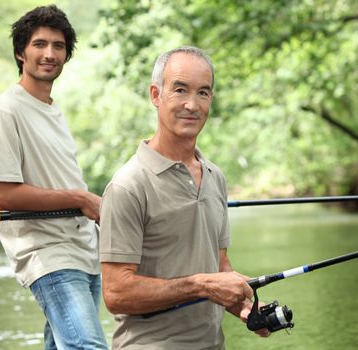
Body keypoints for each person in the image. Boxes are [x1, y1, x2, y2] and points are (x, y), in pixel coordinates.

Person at [99, 46, 270, 349]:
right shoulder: (127, 185)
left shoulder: (215, 177)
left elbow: (219, 266)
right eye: (180, 90)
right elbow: (116, 294)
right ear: (156, 95)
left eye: (203, 93)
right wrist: (200, 285)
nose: (192, 104)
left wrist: (246, 305)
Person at [0, 5, 108, 350]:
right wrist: (81, 200)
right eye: (39, 44)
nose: (49, 54)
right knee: (88, 347)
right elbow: (2, 195)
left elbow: (57, 179)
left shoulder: (53, 109)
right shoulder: (5, 111)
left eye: (59, 46)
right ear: (21, 53)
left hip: (84, 251)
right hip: (47, 254)